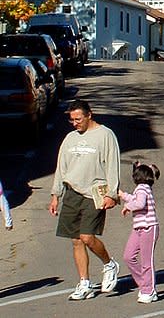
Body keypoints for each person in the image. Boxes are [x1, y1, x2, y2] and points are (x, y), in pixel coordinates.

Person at [49, 99, 121, 301]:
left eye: (78, 119)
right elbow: (61, 168)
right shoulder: (70, 138)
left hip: (94, 193)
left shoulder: (105, 135)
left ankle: (109, 264)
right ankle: (84, 283)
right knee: (76, 240)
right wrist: (55, 195)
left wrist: (112, 194)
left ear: (89, 115)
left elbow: (113, 165)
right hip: (72, 192)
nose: (75, 123)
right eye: (71, 120)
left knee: (87, 237)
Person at [119, 162, 160, 304]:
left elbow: (139, 203)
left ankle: (149, 290)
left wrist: (127, 206)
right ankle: (145, 284)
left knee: (146, 261)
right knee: (128, 256)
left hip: (148, 227)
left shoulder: (142, 188)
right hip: (139, 227)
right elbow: (136, 199)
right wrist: (123, 195)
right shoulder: (142, 188)